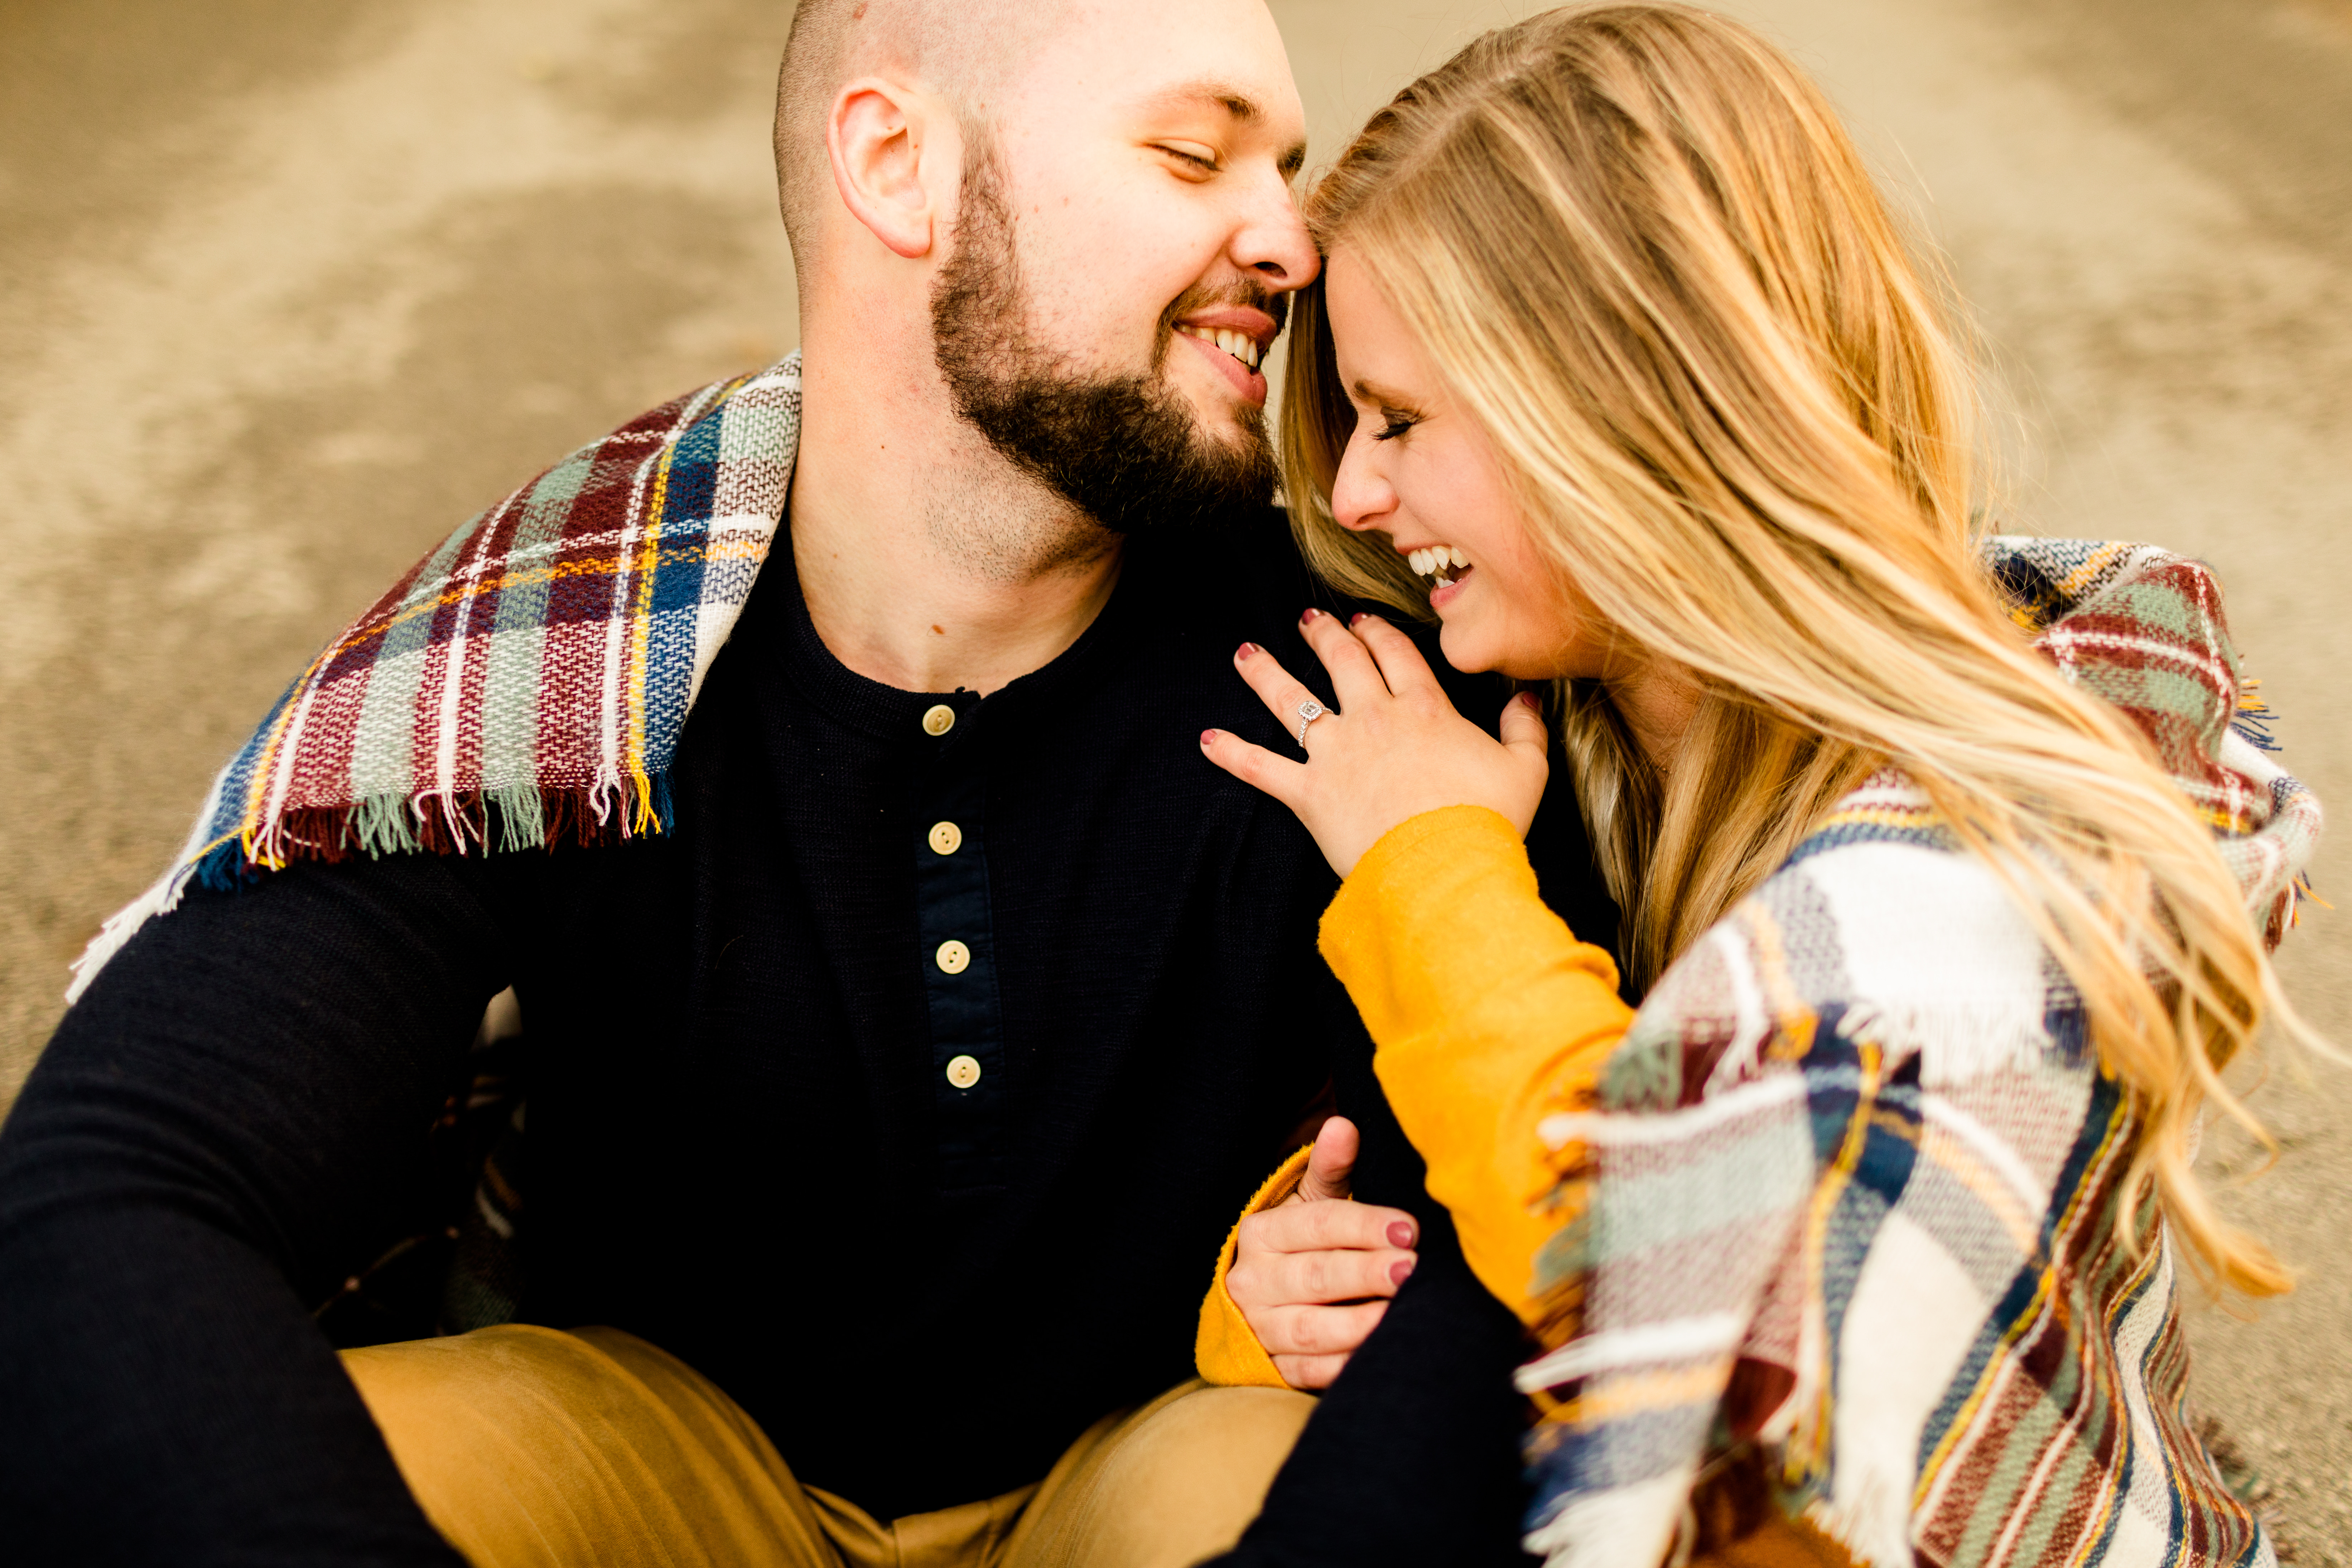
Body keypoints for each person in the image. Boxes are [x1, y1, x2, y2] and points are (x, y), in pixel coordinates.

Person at [0, 2, 1602, 1564]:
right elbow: (116, 1193)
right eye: (1195, 157)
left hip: (1168, 1451)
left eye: (1286, 168)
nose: (1294, 243)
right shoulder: (561, 648)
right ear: (893, 163)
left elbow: (1564, 1230)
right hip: (670, 1459)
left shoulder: (1379, 676)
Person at [1200, 5, 2323, 1565]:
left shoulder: (1985, 852)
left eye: (1398, 420)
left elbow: (1677, 1282)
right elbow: (1472, 1204)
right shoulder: (1583, 748)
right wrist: (1286, 1298)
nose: (1353, 491)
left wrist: (1430, 867)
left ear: (1617, 412)